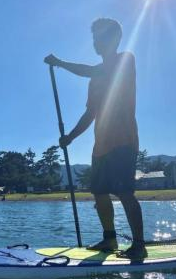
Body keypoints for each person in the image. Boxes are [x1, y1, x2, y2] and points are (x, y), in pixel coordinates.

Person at [44, 18, 146, 259]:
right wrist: (70, 137)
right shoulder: (94, 82)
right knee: (99, 193)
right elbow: (90, 113)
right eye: (95, 38)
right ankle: (110, 239)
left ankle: (139, 245)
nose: (96, 42)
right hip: (100, 145)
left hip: (123, 139)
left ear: (115, 39)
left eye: (101, 37)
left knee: (124, 192)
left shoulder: (125, 60)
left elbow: (91, 69)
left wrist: (59, 63)